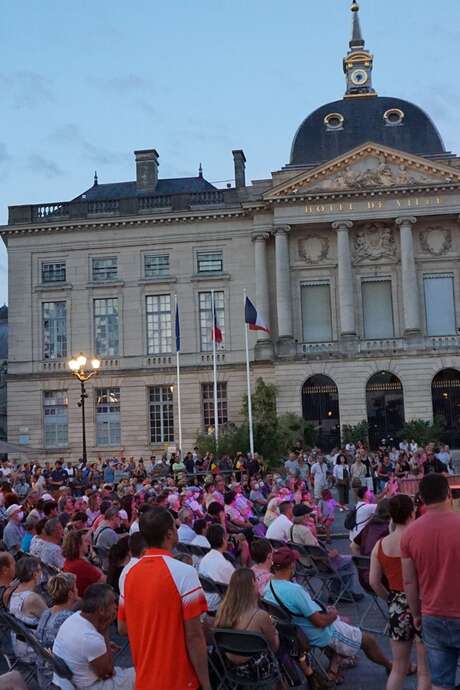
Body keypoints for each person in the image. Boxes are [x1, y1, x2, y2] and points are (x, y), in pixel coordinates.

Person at [264, 547, 392, 682]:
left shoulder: (269, 586)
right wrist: (333, 614)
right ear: (291, 565)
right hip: (317, 633)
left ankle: (335, 664)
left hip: (297, 631)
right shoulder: (294, 590)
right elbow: (319, 622)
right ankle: (391, 666)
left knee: (343, 624)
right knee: (368, 640)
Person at [118, 506, 211, 690]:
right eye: (175, 528)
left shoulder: (129, 574)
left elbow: (123, 628)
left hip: (144, 678)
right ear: (169, 534)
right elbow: (195, 637)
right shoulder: (185, 573)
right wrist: (207, 684)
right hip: (179, 680)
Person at [401, 473, 460, 690]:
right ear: (448, 494)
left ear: (422, 498)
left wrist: (416, 613)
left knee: (441, 682)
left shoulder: (410, 533)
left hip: (432, 613)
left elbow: (409, 581)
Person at [369, 494, 431, 690]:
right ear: (411, 513)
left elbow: (374, 581)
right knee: (424, 669)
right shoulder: (420, 540)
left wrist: (391, 598)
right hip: (422, 602)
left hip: (397, 603)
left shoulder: (381, 545)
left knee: (398, 667)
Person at [53, 583, 135, 689]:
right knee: (142, 676)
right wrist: (105, 629)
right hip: (90, 686)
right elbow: (109, 673)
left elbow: (83, 646)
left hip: (67, 681)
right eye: (113, 603)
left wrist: (103, 646)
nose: (116, 606)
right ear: (101, 610)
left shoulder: (74, 618)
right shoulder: (91, 639)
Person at [215, 568, 279, 680]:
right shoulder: (260, 615)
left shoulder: (222, 611)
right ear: (252, 584)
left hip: (230, 668)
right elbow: (274, 648)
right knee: (285, 648)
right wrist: (276, 632)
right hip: (256, 671)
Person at [36, 572, 79, 689]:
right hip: (60, 680)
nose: (77, 589)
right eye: (76, 587)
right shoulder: (69, 618)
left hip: (43, 675)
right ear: (71, 594)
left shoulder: (47, 613)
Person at [8, 556, 47, 662]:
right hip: (34, 651)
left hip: (20, 646)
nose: (41, 573)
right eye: (40, 570)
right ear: (34, 574)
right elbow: (51, 621)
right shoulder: (32, 599)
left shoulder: (13, 591)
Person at [198, 524, 235, 611]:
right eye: (226, 537)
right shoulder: (225, 565)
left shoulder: (204, 559)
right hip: (217, 605)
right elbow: (237, 588)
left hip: (206, 601)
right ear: (223, 539)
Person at [63, 529, 105, 596]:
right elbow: (103, 580)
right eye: (85, 541)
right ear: (79, 545)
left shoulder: (68, 561)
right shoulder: (81, 564)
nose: (88, 544)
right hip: (88, 599)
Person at [93, 506, 121, 571]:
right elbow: (120, 553)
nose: (121, 519)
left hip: (102, 564)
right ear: (113, 517)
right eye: (119, 517)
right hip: (110, 567)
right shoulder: (110, 533)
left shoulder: (101, 527)